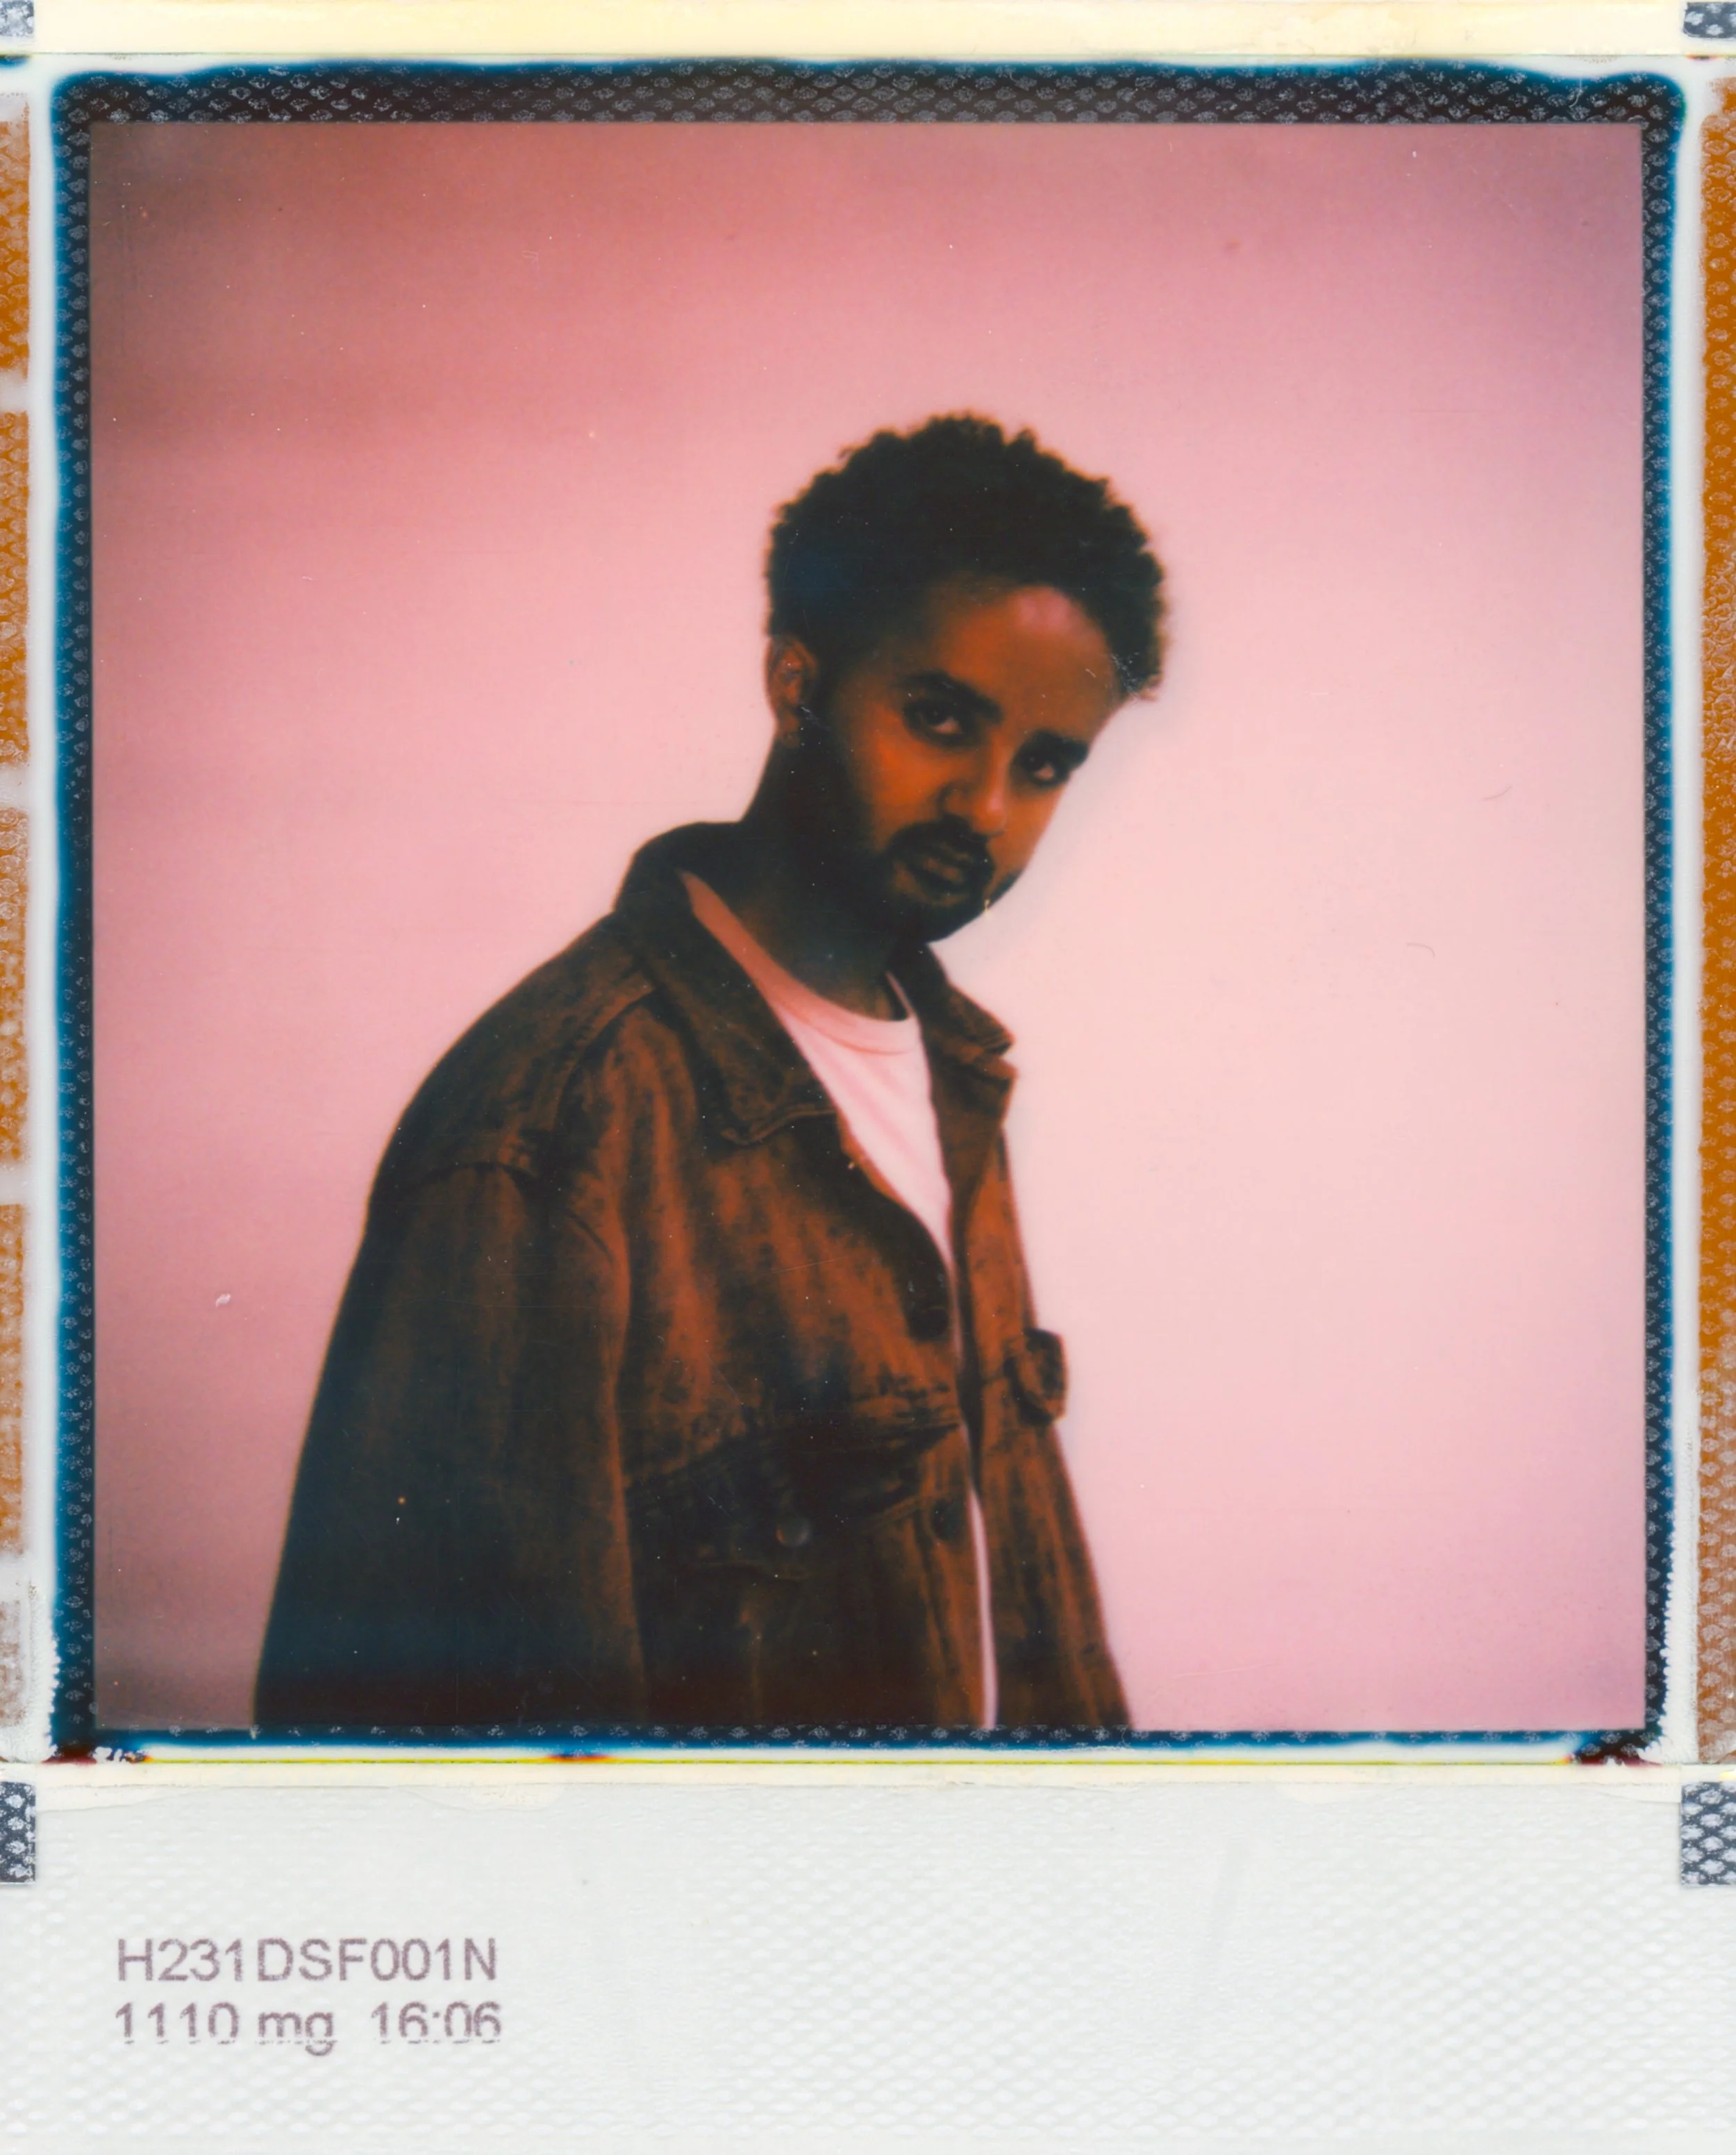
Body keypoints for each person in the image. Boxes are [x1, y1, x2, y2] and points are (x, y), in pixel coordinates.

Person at [255, 414, 1164, 1734]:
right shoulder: (547, 1126)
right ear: (799, 685)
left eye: (1043, 764)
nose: (984, 807)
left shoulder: (954, 1074)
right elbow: (423, 1752)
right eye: (938, 718)